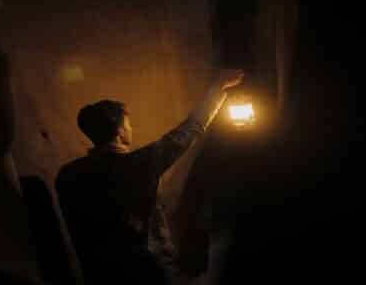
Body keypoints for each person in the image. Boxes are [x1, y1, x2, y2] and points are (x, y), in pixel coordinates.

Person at [55, 69, 244, 285]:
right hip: (149, 274)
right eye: (128, 124)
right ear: (120, 132)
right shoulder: (135, 165)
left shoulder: (67, 175)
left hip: (100, 277)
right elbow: (189, 130)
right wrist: (217, 89)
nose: (131, 128)